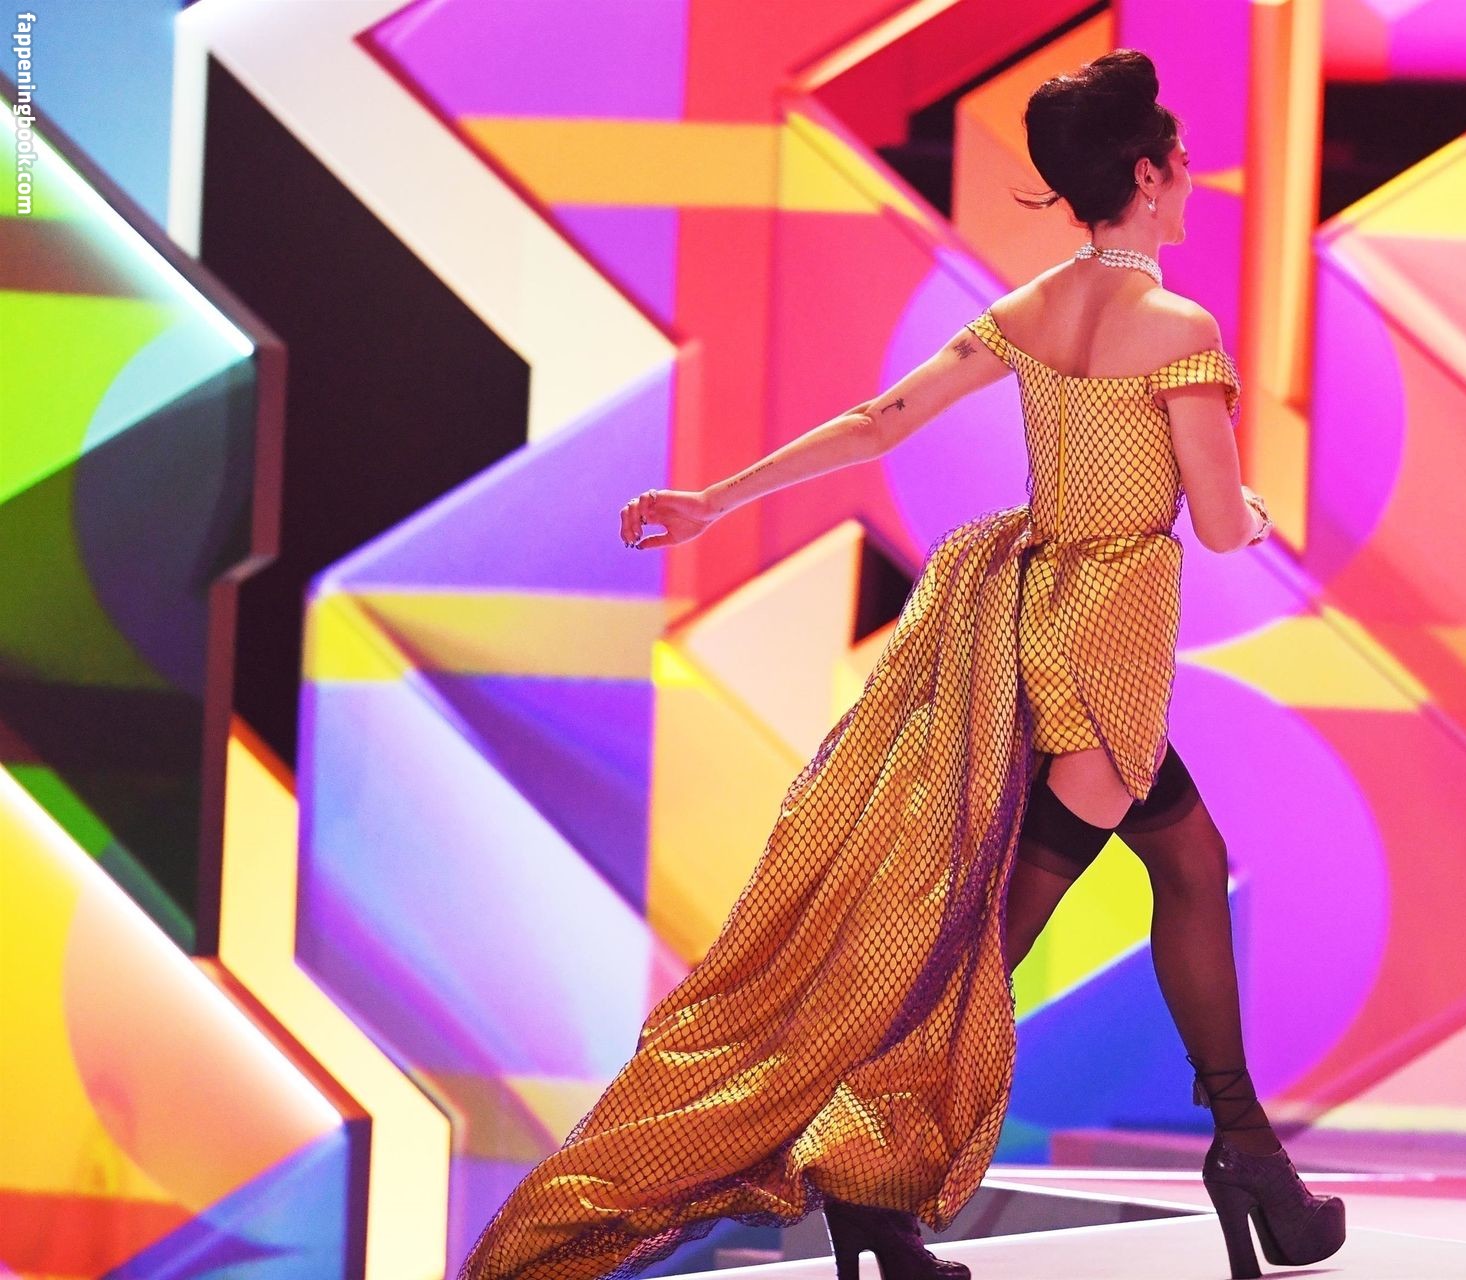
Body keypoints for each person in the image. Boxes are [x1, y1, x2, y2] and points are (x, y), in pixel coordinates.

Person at [457, 49, 1344, 1280]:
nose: (1192, 174)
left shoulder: (1034, 307)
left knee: (1185, 863)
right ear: (1146, 176)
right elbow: (1222, 522)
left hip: (1039, 629)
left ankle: (1249, 1161)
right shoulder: (1179, 329)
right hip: (1109, 651)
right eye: (1182, 158)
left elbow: (882, 423)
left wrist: (715, 500)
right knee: (972, 950)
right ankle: (873, 1176)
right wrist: (1255, 507)